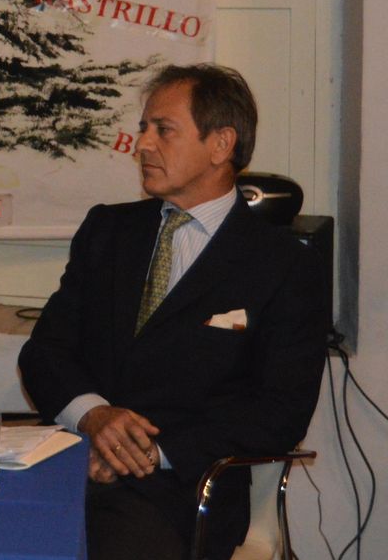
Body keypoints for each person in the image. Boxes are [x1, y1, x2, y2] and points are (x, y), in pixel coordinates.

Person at [19, 64, 329, 560]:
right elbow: (45, 351)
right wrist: (94, 416)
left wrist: (150, 452)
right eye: (143, 128)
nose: (141, 145)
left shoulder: (282, 264)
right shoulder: (108, 230)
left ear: (221, 144)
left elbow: (280, 411)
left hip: (180, 489)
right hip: (69, 465)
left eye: (163, 130)